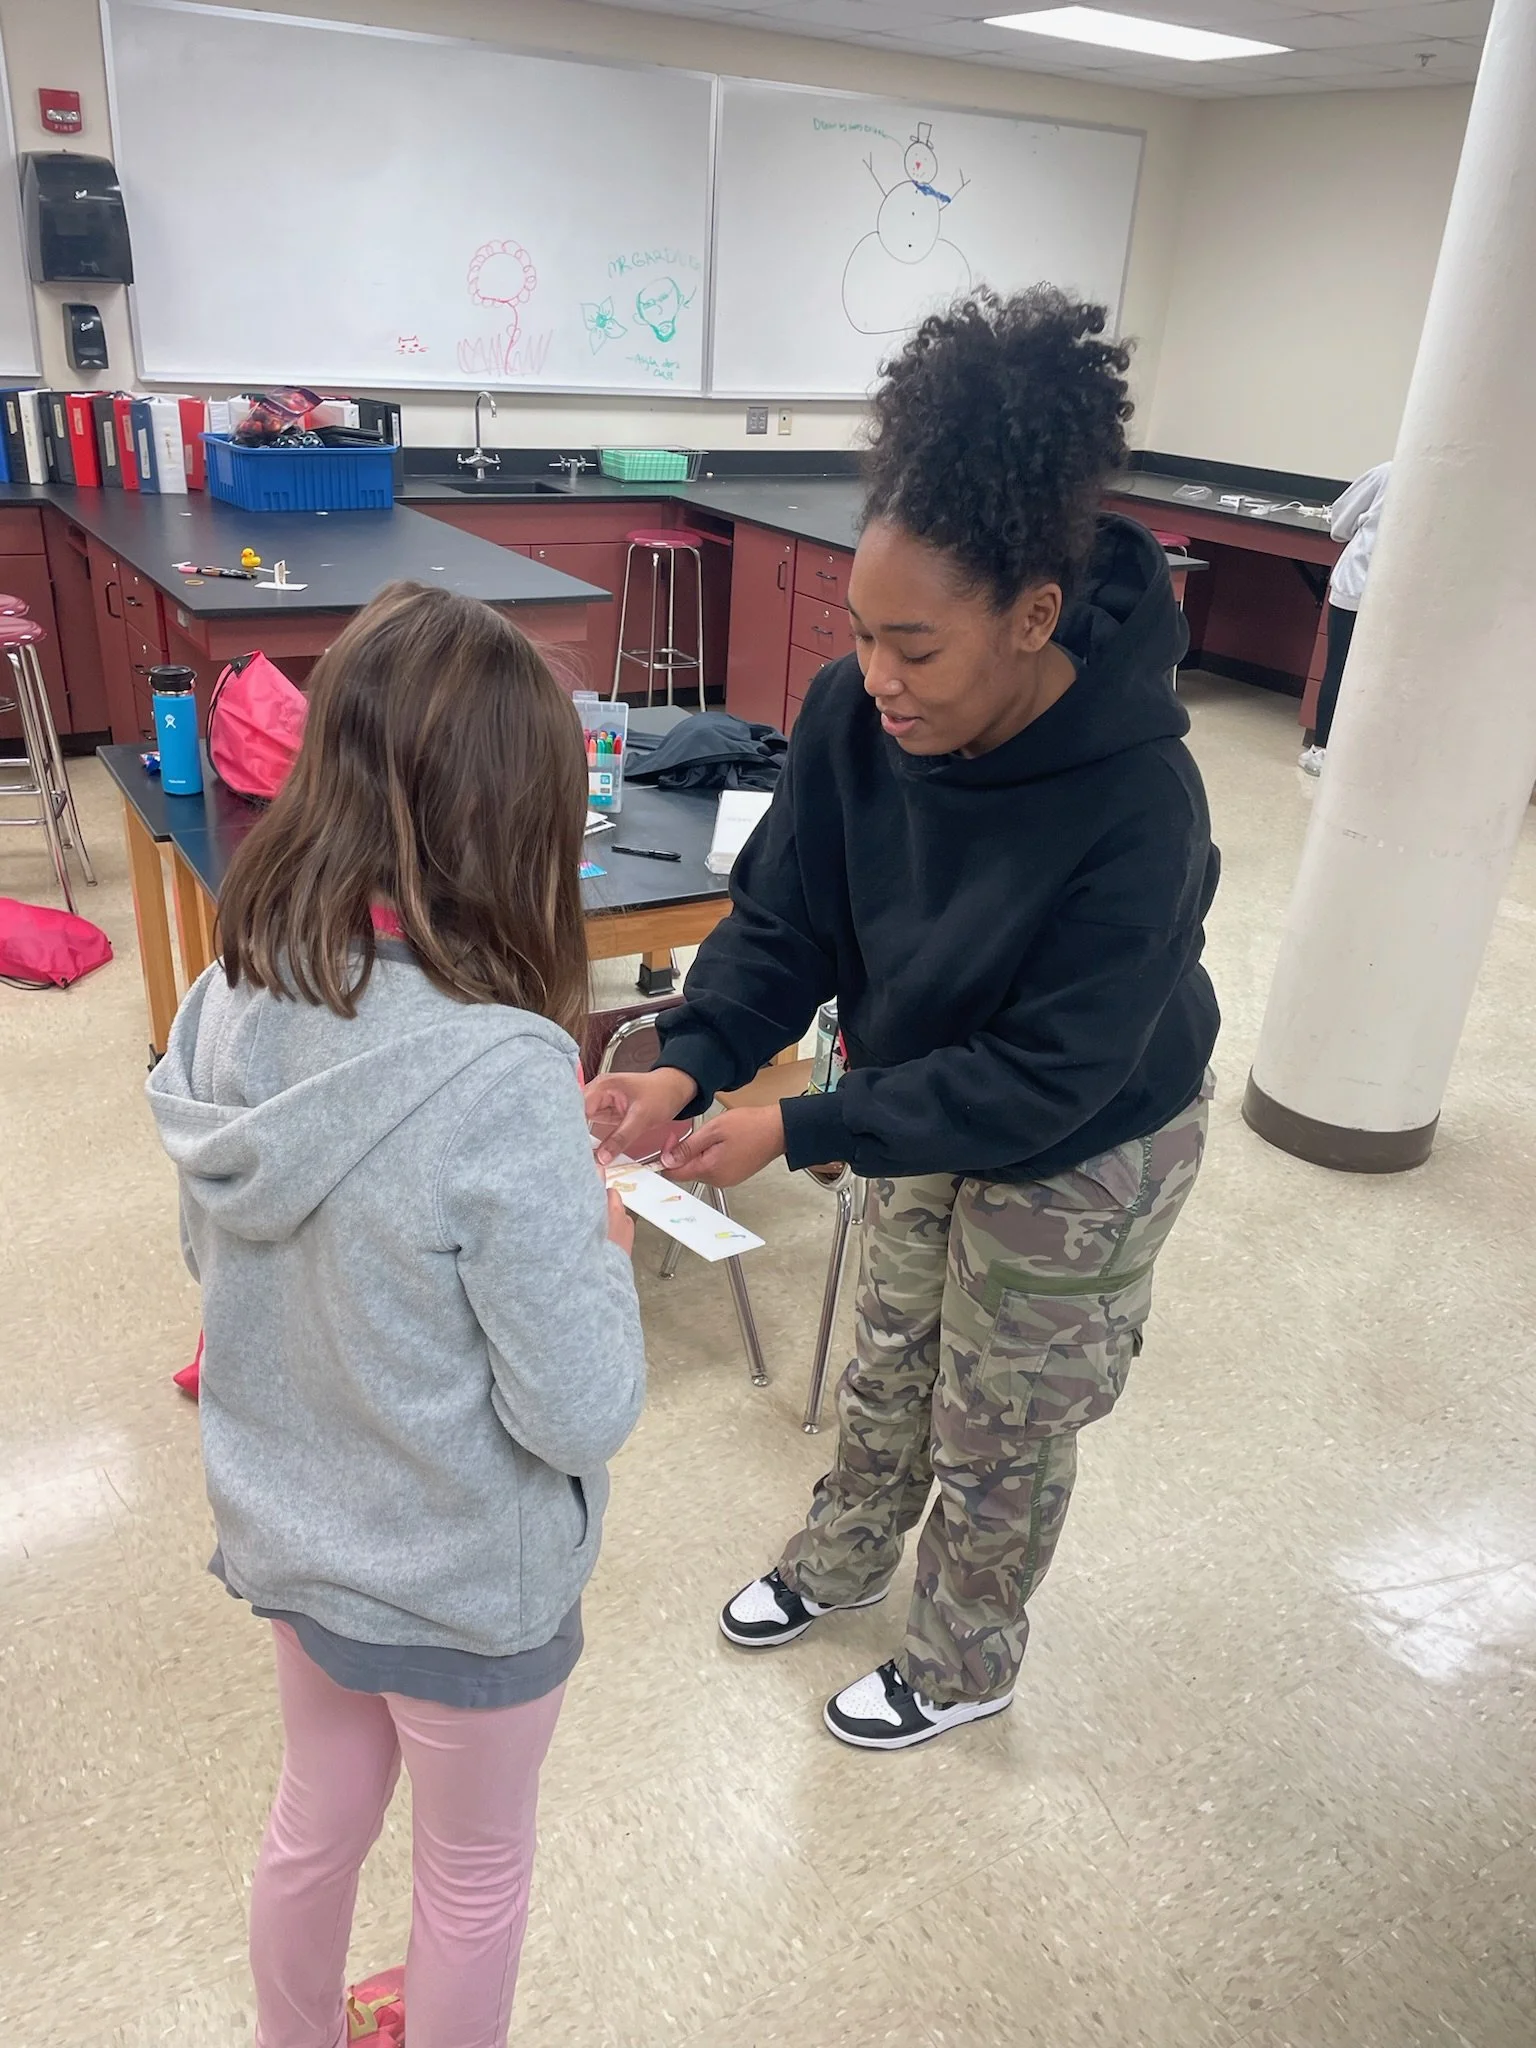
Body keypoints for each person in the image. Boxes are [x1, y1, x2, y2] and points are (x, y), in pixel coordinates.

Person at [588, 287, 1220, 1752]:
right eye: (865, 635)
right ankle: (847, 1554)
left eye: (918, 649)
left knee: (1003, 1405)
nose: (879, 678)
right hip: (925, 1078)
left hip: (1090, 1126)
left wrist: (802, 1122)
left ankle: (964, 1656)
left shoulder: (1140, 801)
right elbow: (787, 920)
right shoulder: (849, 716)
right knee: (893, 1342)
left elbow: (1046, 1076)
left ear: (1034, 616)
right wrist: (691, 1065)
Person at [148, 584, 646, 2047]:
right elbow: (577, 1406)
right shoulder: (504, 1071)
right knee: (473, 1875)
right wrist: (606, 1243)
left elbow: (210, 1253)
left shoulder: (226, 995)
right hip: (465, 1588)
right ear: (520, 828)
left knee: (315, 1818)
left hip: (297, 1538)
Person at [1299, 458, 1391, 775]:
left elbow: (1339, 526)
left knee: (1338, 667)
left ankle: (1322, 750)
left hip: (1357, 587)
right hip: (1401, 597)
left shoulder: (1386, 473)